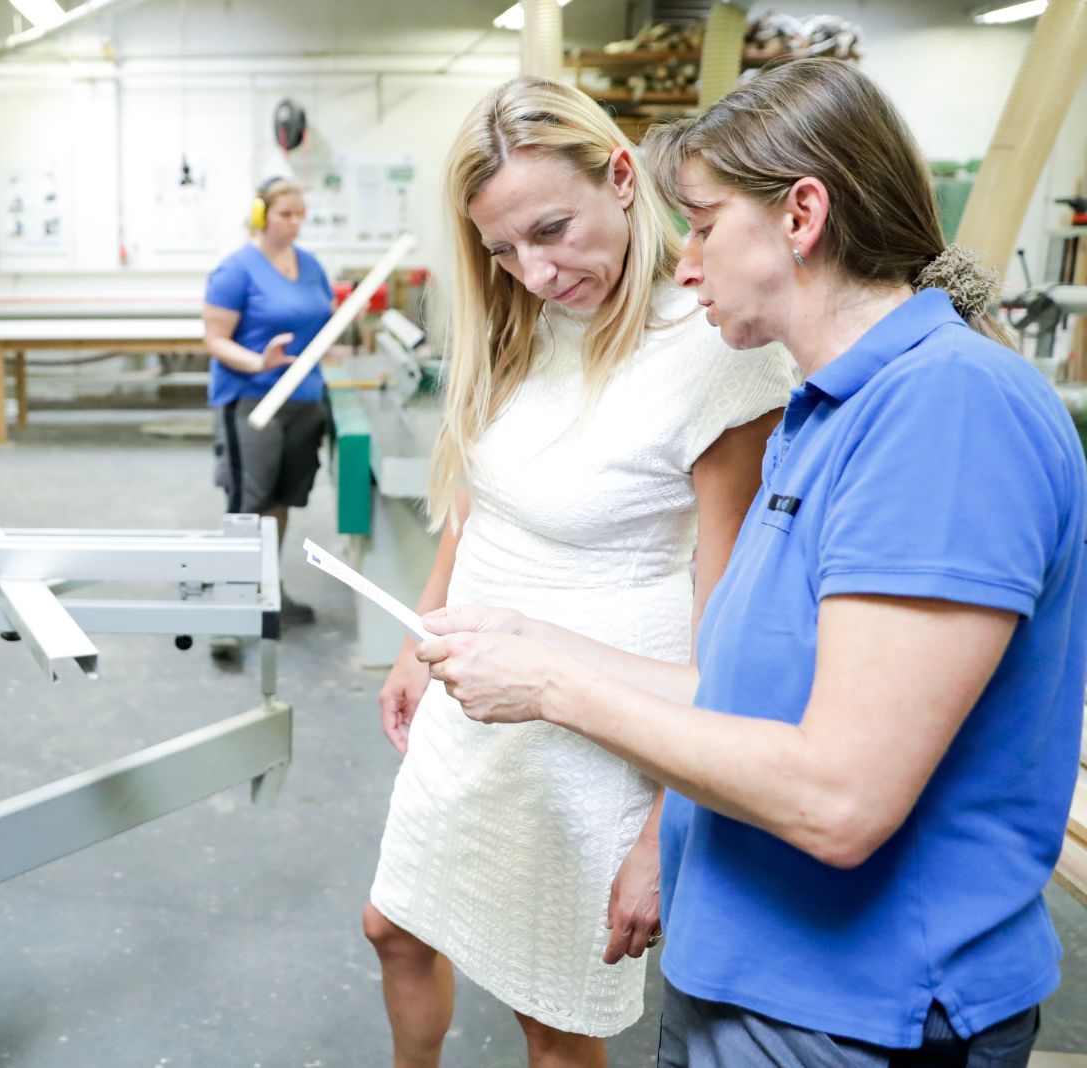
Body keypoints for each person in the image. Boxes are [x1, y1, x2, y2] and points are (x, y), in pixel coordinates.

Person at [416, 58, 1086, 1066]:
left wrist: (551, 685)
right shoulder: (825, 414)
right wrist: (533, 638)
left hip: (856, 1010)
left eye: (702, 223)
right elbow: (735, 693)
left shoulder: (945, 413)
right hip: (749, 970)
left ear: (799, 216)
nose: (683, 264)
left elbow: (838, 798)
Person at [362, 77, 797, 1067]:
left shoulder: (712, 351)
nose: (534, 270)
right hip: (473, 690)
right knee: (391, 927)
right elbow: (479, 493)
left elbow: (723, 620)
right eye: (504, 249)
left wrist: (663, 826)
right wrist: (415, 633)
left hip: (597, 720)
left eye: (552, 230)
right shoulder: (518, 325)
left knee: (548, 1014)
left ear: (618, 176)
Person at [202, 177, 334, 638]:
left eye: (301, 214)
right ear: (262, 215)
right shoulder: (236, 271)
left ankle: (266, 589)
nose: (295, 223)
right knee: (248, 502)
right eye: (285, 214)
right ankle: (228, 608)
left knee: (281, 500)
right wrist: (260, 361)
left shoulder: (311, 266)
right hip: (252, 399)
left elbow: (322, 321)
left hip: (303, 399)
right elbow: (214, 339)